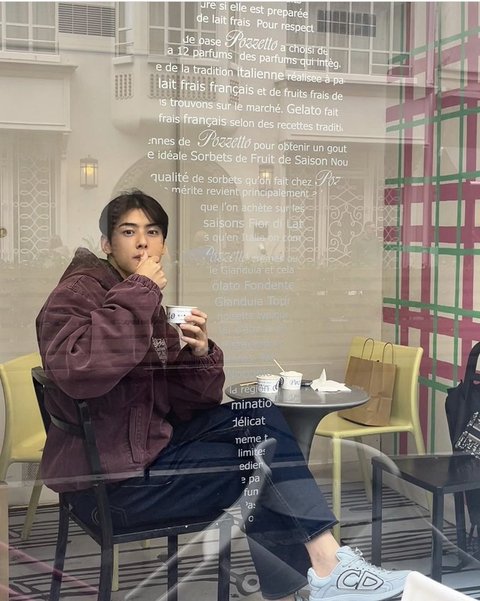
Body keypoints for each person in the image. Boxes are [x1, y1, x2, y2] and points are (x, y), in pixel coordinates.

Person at [36, 190, 409, 601]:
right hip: (111, 488)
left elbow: (189, 407)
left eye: (152, 232)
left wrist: (198, 355)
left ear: (163, 245)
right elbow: (79, 373)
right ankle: (319, 575)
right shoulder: (82, 293)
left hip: (146, 455)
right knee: (259, 466)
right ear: (107, 243)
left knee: (258, 414)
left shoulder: (137, 299)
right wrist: (142, 290)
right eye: (128, 232)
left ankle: (323, 570)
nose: (142, 242)